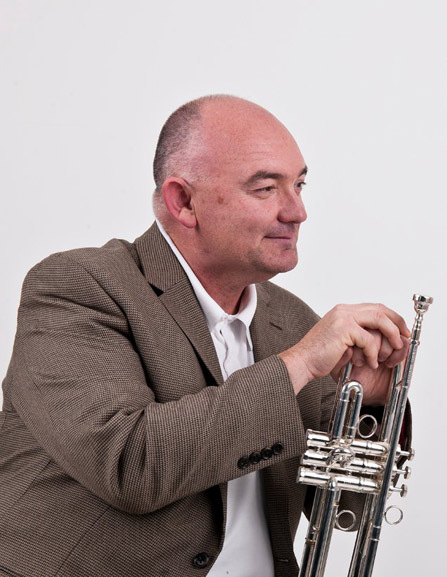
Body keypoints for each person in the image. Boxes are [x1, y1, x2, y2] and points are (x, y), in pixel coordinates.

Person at [0, 95, 411, 576]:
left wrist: (372, 404)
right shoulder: (80, 287)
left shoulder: (294, 321)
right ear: (184, 202)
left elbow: (346, 507)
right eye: (266, 189)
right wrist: (299, 365)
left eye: (299, 185)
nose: (297, 211)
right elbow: (130, 465)